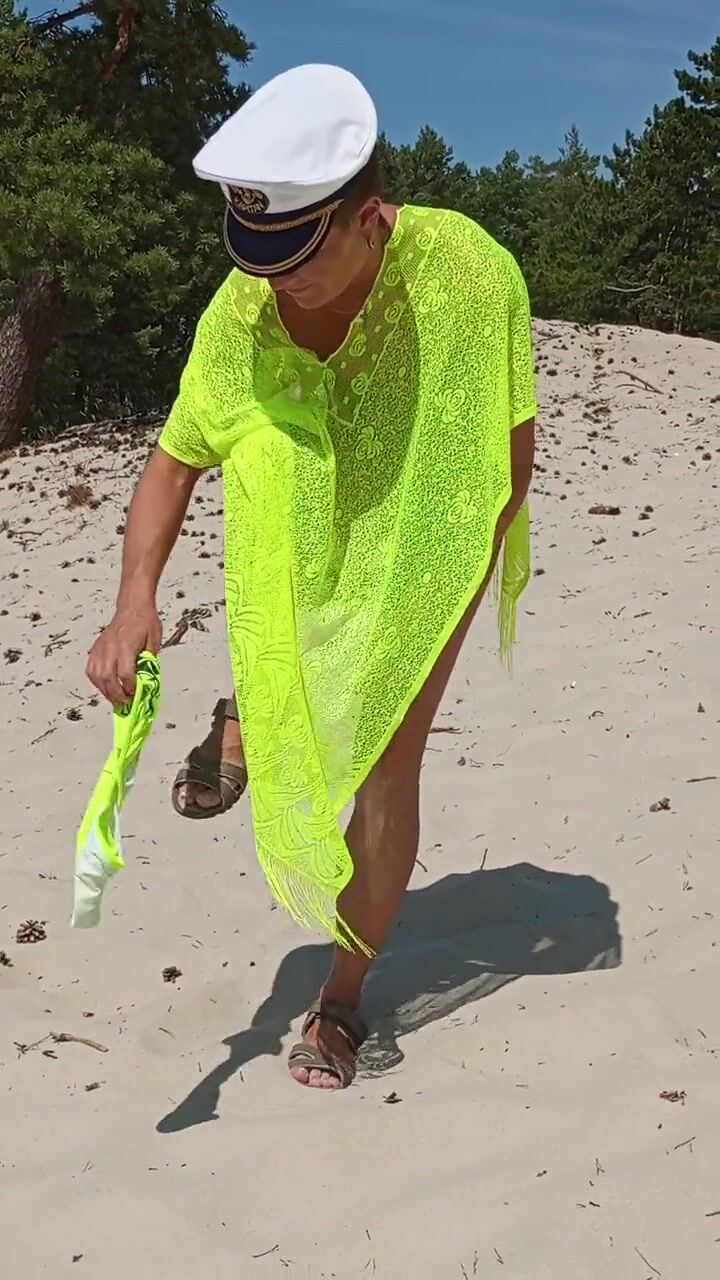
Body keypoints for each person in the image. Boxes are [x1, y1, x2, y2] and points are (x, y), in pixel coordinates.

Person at [86, 64, 537, 1090]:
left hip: (426, 539)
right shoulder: (242, 313)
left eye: (296, 256)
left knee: (383, 766)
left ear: (369, 218)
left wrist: (435, 595)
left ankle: (342, 996)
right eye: (255, 253)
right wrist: (133, 600)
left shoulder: (469, 276)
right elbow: (175, 458)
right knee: (301, 669)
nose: (272, 279)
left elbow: (509, 463)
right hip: (296, 538)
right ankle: (251, 709)